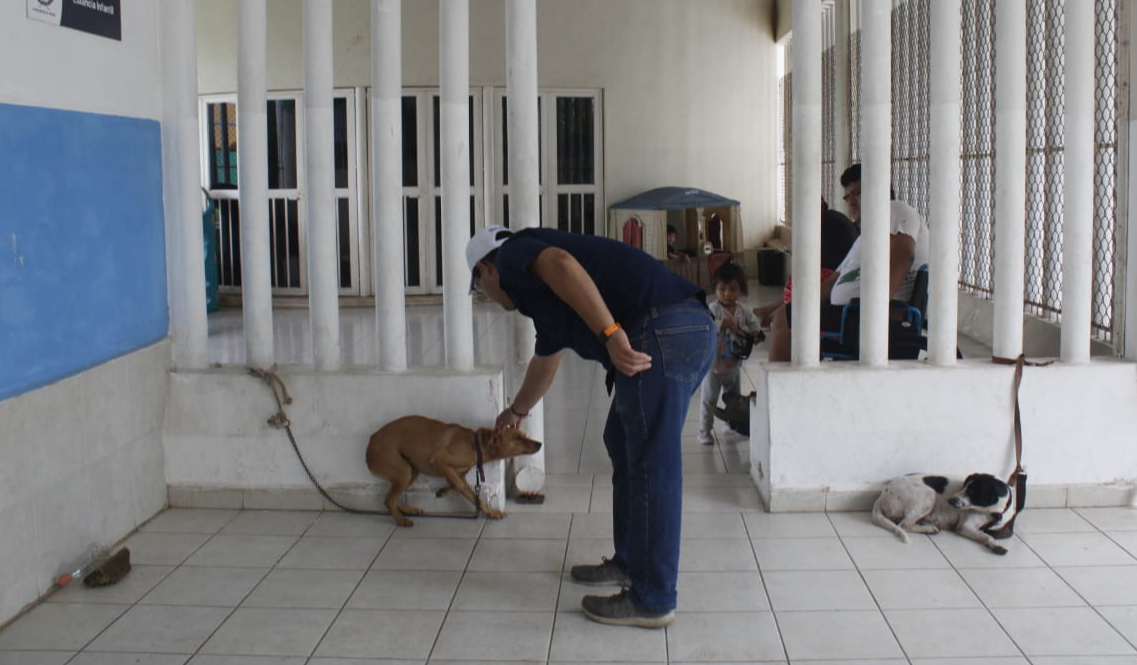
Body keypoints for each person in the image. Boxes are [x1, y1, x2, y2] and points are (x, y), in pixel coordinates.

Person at [466, 225, 715, 628]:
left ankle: (653, 598)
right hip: (680, 327)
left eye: (480, 290)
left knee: (653, 463)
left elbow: (562, 264)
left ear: (485, 269)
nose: (489, 300)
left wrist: (611, 332)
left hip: (661, 328)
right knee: (620, 440)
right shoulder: (540, 296)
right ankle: (630, 562)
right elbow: (546, 358)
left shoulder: (512, 255)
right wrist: (516, 411)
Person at [766, 163, 930, 362]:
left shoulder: (893, 209)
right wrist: (776, 309)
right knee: (783, 315)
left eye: (858, 193)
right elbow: (831, 283)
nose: (851, 202)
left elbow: (904, 254)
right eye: (847, 196)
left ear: (880, 190)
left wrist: (873, 313)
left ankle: (782, 392)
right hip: (850, 314)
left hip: (865, 317)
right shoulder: (866, 237)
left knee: (787, 321)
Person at [753, 198, 859, 327]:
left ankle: (774, 317)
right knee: (803, 288)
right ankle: (769, 311)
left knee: (800, 286)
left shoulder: (822, 221)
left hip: (830, 273)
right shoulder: (835, 216)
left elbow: (795, 248)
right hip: (834, 272)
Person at [698, 262, 760, 445]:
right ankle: (704, 431)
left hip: (733, 364)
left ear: (741, 290)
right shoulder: (713, 309)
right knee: (709, 400)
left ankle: (731, 424)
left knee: (733, 400)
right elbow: (707, 325)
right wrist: (724, 324)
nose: (727, 294)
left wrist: (755, 332)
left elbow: (754, 323)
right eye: (722, 289)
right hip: (713, 366)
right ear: (715, 290)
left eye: (733, 289)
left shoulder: (742, 310)